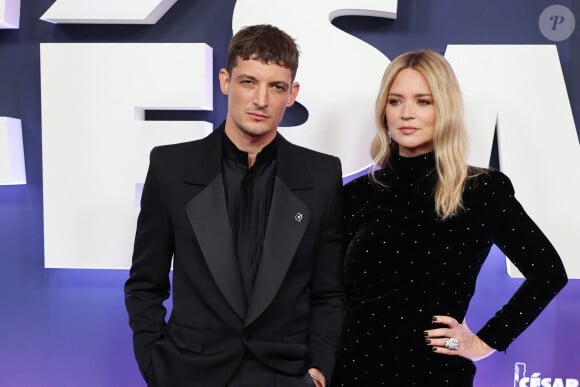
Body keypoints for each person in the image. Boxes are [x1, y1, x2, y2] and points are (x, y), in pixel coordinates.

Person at [124, 24, 344, 387]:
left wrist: (318, 370)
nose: (261, 100)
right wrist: (155, 364)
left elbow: (329, 292)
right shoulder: (171, 168)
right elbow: (145, 284)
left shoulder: (321, 175)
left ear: (292, 94)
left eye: (276, 86)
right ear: (225, 81)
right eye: (248, 82)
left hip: (284, 375)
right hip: (190, 373)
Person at [332, 49, 568, 386]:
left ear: (444, 108)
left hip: (434, 376)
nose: (406, 113)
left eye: (423, 101)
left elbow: (548, 273)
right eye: (395, 101)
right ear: (383, 110)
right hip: (350, 374)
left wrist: (482, 342)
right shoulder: (356, 194)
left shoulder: (481, 190)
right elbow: (328, 294)